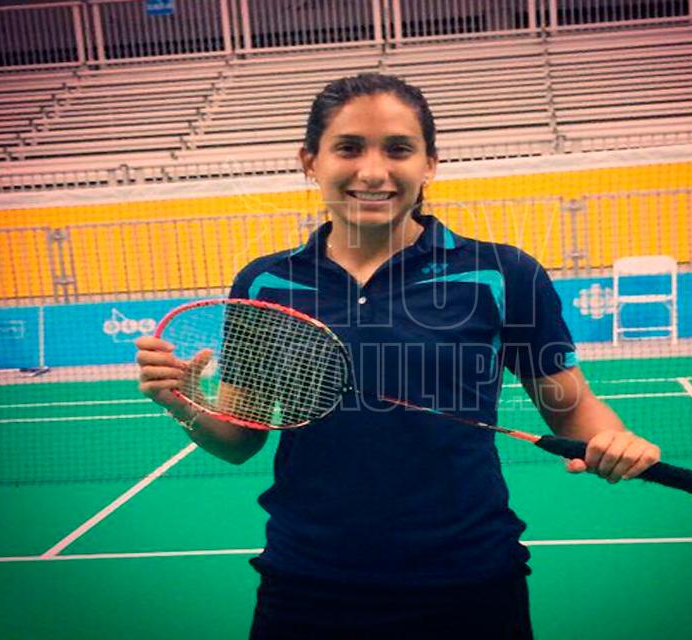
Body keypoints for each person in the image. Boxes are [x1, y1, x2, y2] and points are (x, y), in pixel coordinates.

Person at [136, 73, 661, 640]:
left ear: (429, 164)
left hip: (469, 584)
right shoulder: (265, 283)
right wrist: (184, 403)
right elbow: (240, 439)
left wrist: (614, 440)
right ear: (310, 161)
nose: (372, 171)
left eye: (398, 149)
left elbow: (570, 408)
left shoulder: (503, 273)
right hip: (306, 583)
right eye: (348, 148)